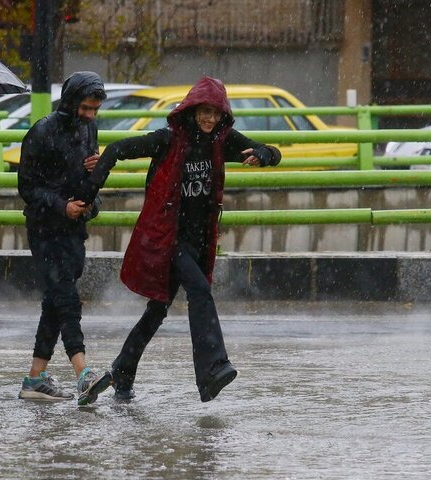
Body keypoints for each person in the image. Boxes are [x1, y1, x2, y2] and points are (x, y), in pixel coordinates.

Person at [77, 76, 282, 402]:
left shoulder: (220, 141)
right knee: (200, 291)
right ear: (191, 109)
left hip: (200, 242)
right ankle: (213, 369)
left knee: (157, 311)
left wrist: (263, 155)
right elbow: (116, 150)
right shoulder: (168, 140)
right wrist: (88, 193)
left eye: (216, 114)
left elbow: (270, 151)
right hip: (170, 240)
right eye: (204, 112)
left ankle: (122, 372)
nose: (209, 119)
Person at [17, 71, 113, 405]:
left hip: (75, 228)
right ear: (72, 102)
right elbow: (26, 186)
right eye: (85, 108)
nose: (89, 115)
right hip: (45, 229)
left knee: (55, 304)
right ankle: (83, 373)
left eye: (95, 110)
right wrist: (61, 205)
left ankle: (35, 377)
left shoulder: (89, 129)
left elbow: (89, 178)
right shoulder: (42, 132)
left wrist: (93, 176)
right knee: (67, 301)